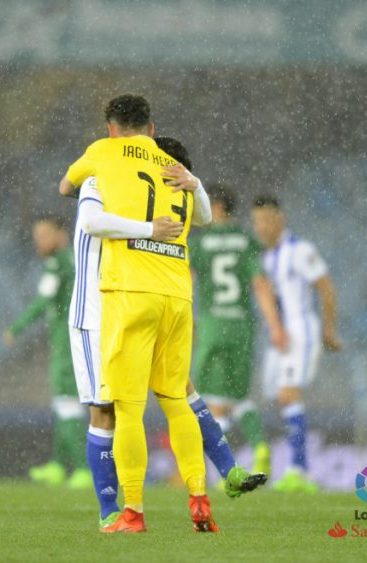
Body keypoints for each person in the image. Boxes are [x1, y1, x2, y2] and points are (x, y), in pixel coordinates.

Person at [62, 138, 266, 529]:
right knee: (124, 406)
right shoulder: (101, 181)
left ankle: (144, 505)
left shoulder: (148, 190)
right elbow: (88, 213)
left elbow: (195, 217)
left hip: (132, 301)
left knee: (151, 400)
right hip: (103, 309)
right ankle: (118, 509)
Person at [60, 94, 216, 533]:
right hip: (178, 298)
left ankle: (130, 512)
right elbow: (203, 216)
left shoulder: (105, 159)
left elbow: (69, 191)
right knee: (176, 402)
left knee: (124, 410)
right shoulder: (175, 176)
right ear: (151, 128)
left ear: (111, 128)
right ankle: (200, 497)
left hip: (127, 296)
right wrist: (195, 182)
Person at [187, 183, 287, 478]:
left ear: (217, 207)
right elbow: (259, 284)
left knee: (205, 398)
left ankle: (221, 468)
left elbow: (186, 283)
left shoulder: (200, 242)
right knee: (239, 395)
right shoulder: (246, 240)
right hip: (241, 327)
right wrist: (276, 327)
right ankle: (259, 446)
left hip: (211, 326)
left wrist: (185, 323)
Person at [251, 194, 341, 493]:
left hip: (301, 331)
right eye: (256, 221)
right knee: (278, 397)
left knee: (288, 394)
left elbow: (326, 288)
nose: (261, 227)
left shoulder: (299, 250)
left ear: (280, 219)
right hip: (279, 335)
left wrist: (328, 331)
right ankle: (297, 467)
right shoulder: (264, 257)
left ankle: (299, 470)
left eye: (266, 220)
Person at [4, 218, 91, 489]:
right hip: (73, 339)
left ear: (61, 234)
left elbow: (43, 300)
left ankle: (83, 469)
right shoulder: (74, 261)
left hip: (68, 344)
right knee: (64, 406)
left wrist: (16, 328)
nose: (38, 241)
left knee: (68, 405)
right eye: (36, 234)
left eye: (44, 234)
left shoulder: (59, 263)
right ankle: (58, 463)